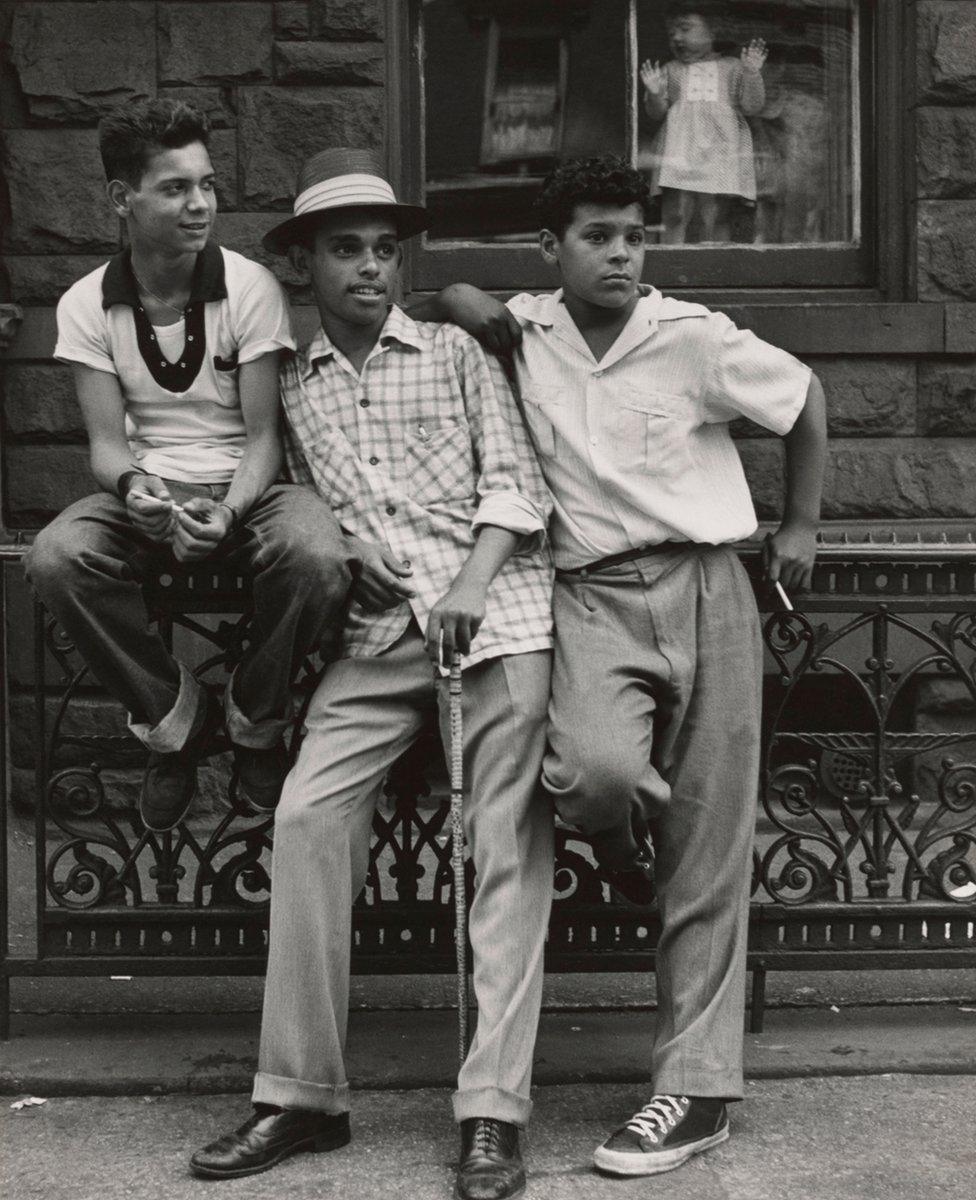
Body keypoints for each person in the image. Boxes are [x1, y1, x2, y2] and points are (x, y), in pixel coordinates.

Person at [419, 154, 827, 1176]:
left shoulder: (688, 337)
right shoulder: (528, 331)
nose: (618, 254)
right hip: (593, 592)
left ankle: (691, 1092)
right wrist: (468, 298)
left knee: (711, 842)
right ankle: (620, 840)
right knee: (590, 772)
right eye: (596, 236)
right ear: (549, 249)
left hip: (709, 588)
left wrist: (801, 524)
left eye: (632, 236)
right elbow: (446, 299)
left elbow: (804, 397)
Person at [190, 149, 555, 1200]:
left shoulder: (451, 354)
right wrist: (349, 548)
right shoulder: (290, 389)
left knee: (503, 847)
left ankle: (491, 1113)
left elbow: (516, 487)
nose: (369, 269)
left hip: (493, 622)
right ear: (303, 266)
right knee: (307, 820)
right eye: (345, 250)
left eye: (385, 250)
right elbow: (289, 513)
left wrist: (474, 584)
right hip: (380, 638)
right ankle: (301, 1096)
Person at [25, 99, 354, 833]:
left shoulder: (248, 287)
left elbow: (266, 436)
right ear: (122, 198)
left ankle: (254, 722)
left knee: (317, 555)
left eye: (206, 184)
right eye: (175, 188)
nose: (200, 203)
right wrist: (138, 488)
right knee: (56, 558)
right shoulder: (86, 304)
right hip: (150, 488)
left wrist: (229, 510)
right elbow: (106, 445)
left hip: (249, 486)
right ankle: (176, 721)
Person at [640, 2, 767, 243]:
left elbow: (752, 106)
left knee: (717, 211)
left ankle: (716, 262)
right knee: (676, 210)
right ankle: (673, 259)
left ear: (713, 31)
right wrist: (655, 93)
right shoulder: (671, 69)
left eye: (685, 29)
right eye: (672, 34)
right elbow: (656, 114)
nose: (677, 37)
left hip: (721, 150)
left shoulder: (732, 67)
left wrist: (751, 73)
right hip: (680, 149)